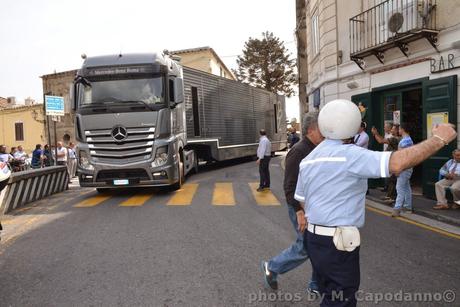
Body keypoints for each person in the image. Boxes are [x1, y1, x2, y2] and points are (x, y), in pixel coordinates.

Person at [294, 99, 456, 306]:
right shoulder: (350, 155)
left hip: (314, 239)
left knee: (329, 294)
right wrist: (438, 139)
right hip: (337, 244)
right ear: (352, 124)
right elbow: (396, 163)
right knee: (342, 300)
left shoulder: (309, 159)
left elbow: (302, 201)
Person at [261, 112, 323, 293]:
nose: (325, 132)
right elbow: (289, 186)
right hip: (299, 207)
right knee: (306, 246)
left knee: (316, 245)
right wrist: (299, 211)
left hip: (312, 206)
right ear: (312, 130)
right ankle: (271, 267)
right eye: (322, 129)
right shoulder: (299, 151)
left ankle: (316, 284)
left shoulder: (316, 148)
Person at [371, 125, 400, 202]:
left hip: (394, 161)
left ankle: (393, 197)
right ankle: (390, 196)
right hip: (390, 160)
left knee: (393, 180)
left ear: (397, 131)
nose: (391, 131)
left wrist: (375, 133)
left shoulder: (395, 139)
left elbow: (381, 141)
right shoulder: (393, 138)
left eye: (393, 129)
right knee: (391, 179)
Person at [392, 123, 414, 217]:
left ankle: (397, 209)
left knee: (399, 188)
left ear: (403, 129)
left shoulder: (404, 142)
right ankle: (408, 207)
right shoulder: (409, 140)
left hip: (404, 168)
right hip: (409, 167)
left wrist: (398, 168)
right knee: (406, 187)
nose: (398, 130)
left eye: (399, 129)